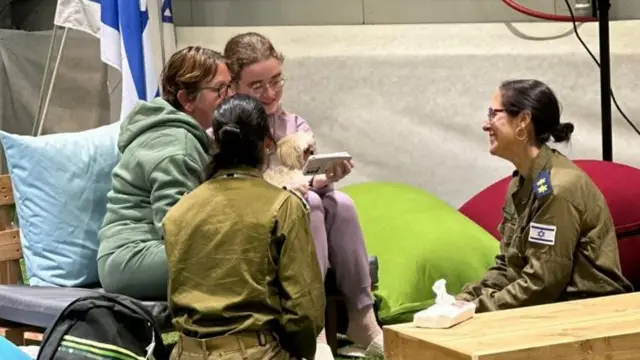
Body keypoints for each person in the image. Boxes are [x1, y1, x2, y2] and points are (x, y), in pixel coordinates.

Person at [222, 32, 384, 358]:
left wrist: (327, 177)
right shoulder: (228, 127)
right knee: (307, 203)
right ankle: (315, 326)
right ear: (234, 85)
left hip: (301, 206)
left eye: (276, 81)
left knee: (342, 203)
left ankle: (361, 315)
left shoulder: (294, 123)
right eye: (257, 87)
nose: (270, 93)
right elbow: (228, 186)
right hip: (253, 220)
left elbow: (306, 178)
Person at [163, 94, 325, 360]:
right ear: (267, 144)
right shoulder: (283, 206)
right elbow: (303, 310)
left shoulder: (178, 212)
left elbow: (175, 297)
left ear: (216, 142)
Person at [456, 79, 633, 312]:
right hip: (550, 308)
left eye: (493, 114)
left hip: (586, 315)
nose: (485, 124)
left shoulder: (558, 189)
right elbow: (508, 265)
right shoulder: (523, 182)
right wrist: (465, 299)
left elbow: (543, 283)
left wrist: (476, 309)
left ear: (523, 121)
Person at [97, 46, 233, 299]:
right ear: (186, 99)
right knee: (242, 258)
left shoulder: (183, 136)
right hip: (133, 258)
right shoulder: (176, 145)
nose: (229, 96)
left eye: (230, 86)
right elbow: (176, 226)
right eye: (219, 90)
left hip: (144, 254)